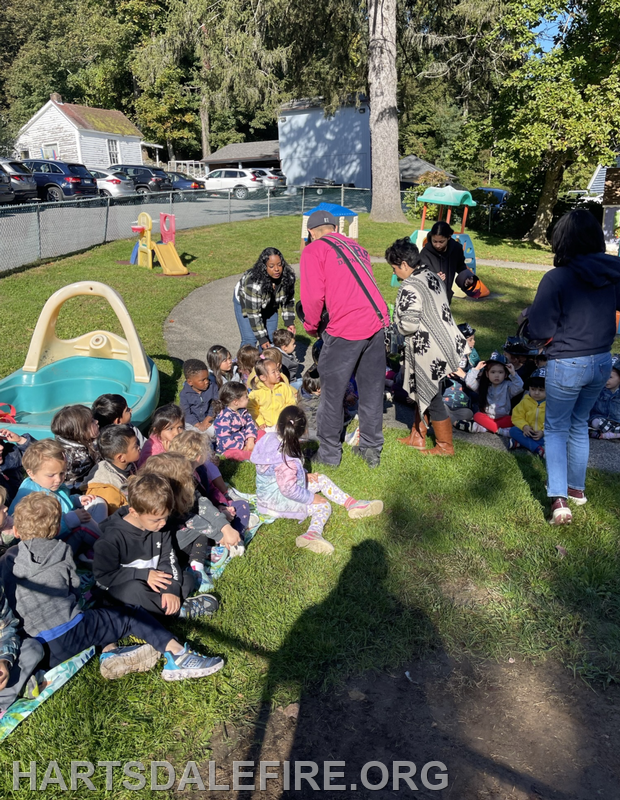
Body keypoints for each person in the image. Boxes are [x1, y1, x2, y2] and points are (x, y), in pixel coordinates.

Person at [3, 492, 223, 682]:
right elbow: (74, 588)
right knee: (128, 615)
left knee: (101, 614)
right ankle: (177, 655)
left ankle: (110, 652)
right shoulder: (61, 551)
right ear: (57, 528)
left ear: (17, 531)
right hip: (76, 632)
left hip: (42, 650)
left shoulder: (7, 560)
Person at [526, 210, 620, 524]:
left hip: (567, 361)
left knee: (555, 429)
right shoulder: (613, 272)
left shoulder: (557, 278)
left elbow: (540, 330)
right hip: (602, 360)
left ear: (562, 240)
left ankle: (558, 499)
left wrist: (528, 317)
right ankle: (576, 490)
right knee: (578, 423)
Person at [300, 210, 389, 468]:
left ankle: (329, 454)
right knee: (371, 391)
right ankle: (371, 449)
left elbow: (313, 296)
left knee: (332, 394)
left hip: (345, 328)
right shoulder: (357, 248)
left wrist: (311, 326)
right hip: (377, 322)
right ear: (335, 228)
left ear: (311, 232)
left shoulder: (313, 250)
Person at [250, 406, 383, 554]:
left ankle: (352, 504)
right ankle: (312, 534)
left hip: (269, 493)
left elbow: (276, 473)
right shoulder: (287, 460)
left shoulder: (269, 438)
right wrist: (312, 498)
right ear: (302, 432)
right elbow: (289, 490)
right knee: (323, 505)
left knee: (321, 479)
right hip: (276, 503)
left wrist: (303, 475)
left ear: (278, 425)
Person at [93, 474, 219, 620]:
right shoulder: (111, 538)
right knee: (133, 590)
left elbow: (168, 558)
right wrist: (144, 575)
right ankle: (178, 612)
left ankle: (158, 610)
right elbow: (104, 576)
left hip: (154, 582)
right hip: (122, 588)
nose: (163, 523)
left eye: (166, 516)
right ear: (134, 512)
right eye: (157, 519)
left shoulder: (160, 528)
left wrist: (170, 590)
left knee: (187, 579)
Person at [387, 237, 468, 456]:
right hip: (446, 341)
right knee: (426, 390)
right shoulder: (431, 275)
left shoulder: (410, 286)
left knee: (431, 395)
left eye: (395, 268)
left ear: (404, 264)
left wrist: (395, 328)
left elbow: (409, 324)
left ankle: (445, 446)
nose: (395, 273)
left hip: (427, 348)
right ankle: (418, 435)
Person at [140, 452, 243, 590]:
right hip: (169, 545)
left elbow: (201, 503)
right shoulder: (163, 501)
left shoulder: (182, 490)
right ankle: (197, 566)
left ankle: (203, 555)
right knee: (200, 530)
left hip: (184, 534)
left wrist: (225, 527)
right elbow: (191, 520)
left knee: (206, 523)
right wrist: (220, 535)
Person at [9, 439, 105, 555]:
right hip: (52, 548)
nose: (58, 479)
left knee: (97, 502)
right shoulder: (32, 498)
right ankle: (107, 548)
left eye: (62, 473)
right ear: (31, 473)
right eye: (51, 475)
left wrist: (76, 500)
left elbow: (62, 500)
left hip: (66, 530)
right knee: (85, 523)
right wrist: (69, 520)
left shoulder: (48, 484)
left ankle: (93, 545)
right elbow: (39, 533)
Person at [233, 247, 296, 349]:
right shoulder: (254, 284)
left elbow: (288, 301)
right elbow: (254, 314)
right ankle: (245, 360)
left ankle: (263, 359)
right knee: (250, 340)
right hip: (247, 303)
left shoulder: (288, 278)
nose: (276, 269)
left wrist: (289, 322)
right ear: (264, 267)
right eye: (271, 266)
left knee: (271, 339)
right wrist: (261, 338)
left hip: (270, 304)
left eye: (279, 264)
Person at [462, 353, 524, 434]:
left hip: (503, 418)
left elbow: (520, 386)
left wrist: (513, 373)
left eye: (500, 372)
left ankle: (484, 428)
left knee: (512, 419)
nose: (496, 375)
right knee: (477, 415)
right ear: (487, 374)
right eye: (493, 372)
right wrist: (476, 369)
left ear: (505, 374)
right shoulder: (484, 386)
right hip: (487, 417)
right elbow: (469, 382)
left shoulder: (508, 386)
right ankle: (499, 430)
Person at [85, 425, 141, 514]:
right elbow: (116, 516)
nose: (139, 447)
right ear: (121, 458)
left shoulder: (127, 465)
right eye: (135, 446)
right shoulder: (108, 490)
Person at [51, 405, 100, 489]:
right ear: (81, 432)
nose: (97, 421)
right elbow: (78, 483)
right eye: (92, 421)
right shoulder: (78, 457)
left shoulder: (64, 441)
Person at [419, 221, 468, 303]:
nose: (438, 245)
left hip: (446, 296)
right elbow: (421, 273)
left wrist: (466, 277)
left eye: (441, 242)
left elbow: (461, 266)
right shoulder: (425, 253)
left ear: (448, 237)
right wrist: (434, 277)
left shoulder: (456, 249)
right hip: (429, 297)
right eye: (434, 241)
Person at [247, 359, 297, 431]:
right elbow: (252, 408)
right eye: (273, 372)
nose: (278, 373)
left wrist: (284, 419)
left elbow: (291, 403)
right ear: (263, 377)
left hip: (283, 424)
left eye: (277, 370)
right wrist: (260, 422)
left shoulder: (283, 387)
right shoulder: (256, 392)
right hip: (265, 427)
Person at [213, 382, 258, 461]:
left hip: (246, 441)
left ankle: (254, 450)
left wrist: (250, 440)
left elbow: (250, 424)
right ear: (236, 402)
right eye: (246, 397)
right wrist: (242, 447)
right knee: (233, 454)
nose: (248, 398)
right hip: (230, 448)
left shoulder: (244, 411)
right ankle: (254, 454)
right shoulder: (223, 418)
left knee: (261, 433)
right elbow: (225, 441)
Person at [509, 368, 546, 456]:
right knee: (513, 431)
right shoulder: (525, 401)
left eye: (541, 390)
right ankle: (538, 449)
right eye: (533, 389)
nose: (536, 393)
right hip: (528, 432)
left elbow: (554, 422)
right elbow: (517, 416)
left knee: (560, 439)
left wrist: (543, 432)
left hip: (543, 435)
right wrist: (524, 426)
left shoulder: (552, 404)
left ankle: (522, 443)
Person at [179, 360, 219, 433]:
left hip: (210, 418)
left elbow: (215, 404)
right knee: (188, 434)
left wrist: (207, 419)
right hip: (192, 423)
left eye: (207, 378)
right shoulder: (184, 394)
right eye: (202, 380)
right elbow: (186, 413)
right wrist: (198, 424)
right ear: (190, 382)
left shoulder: (213, 387)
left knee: (217, 429)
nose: (207, 382)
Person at [0, 428, 35, 505]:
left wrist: (20, 440)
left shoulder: (10, 454)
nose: (1, 447)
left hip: (23, 504)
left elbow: (43, 457)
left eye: (0, 442)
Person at [589, 356, 620, 439]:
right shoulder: (599, 389)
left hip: (617, 421)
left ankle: (607, 434)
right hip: (601, 419)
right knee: (595, 422)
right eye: (603, 376)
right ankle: (614, 434)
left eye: (610, 377)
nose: (605, 380)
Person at [298, 366, 321, 440]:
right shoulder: (309, 404)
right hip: (311, 429)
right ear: (318, 389)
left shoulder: (304, 390)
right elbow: (311, 422)